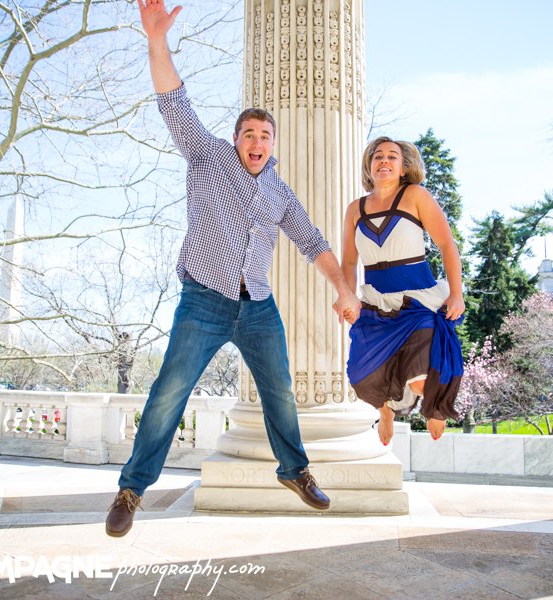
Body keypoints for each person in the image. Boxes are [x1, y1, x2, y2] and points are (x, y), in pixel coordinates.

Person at [106, 0, 362, 538]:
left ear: (273, 146)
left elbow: (313, 243)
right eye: (249, 134)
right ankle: (131, 489)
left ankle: (296, 473)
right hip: (204, 300)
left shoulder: (279, 191)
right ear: (237, 137)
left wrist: (343, 290)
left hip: (258, 308)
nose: (256, 142)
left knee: (281, 393)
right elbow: (174, 103)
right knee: (168, 395)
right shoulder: (209, 156)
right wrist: (157, 40)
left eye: (265, 137)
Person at [340, 137, 465, 447]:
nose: (384, 160)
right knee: (361, 376)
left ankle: (435, 407)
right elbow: (349, 261)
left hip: (417, 299)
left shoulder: (415, 195)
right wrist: (346, 295)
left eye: (392, 157)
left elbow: (447, 244)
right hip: (376, 301)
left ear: (403, 166)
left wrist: (457, 292)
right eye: (377, 156)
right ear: (369, 166)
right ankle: (385, 412)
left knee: (421, 380)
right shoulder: (355, 209)